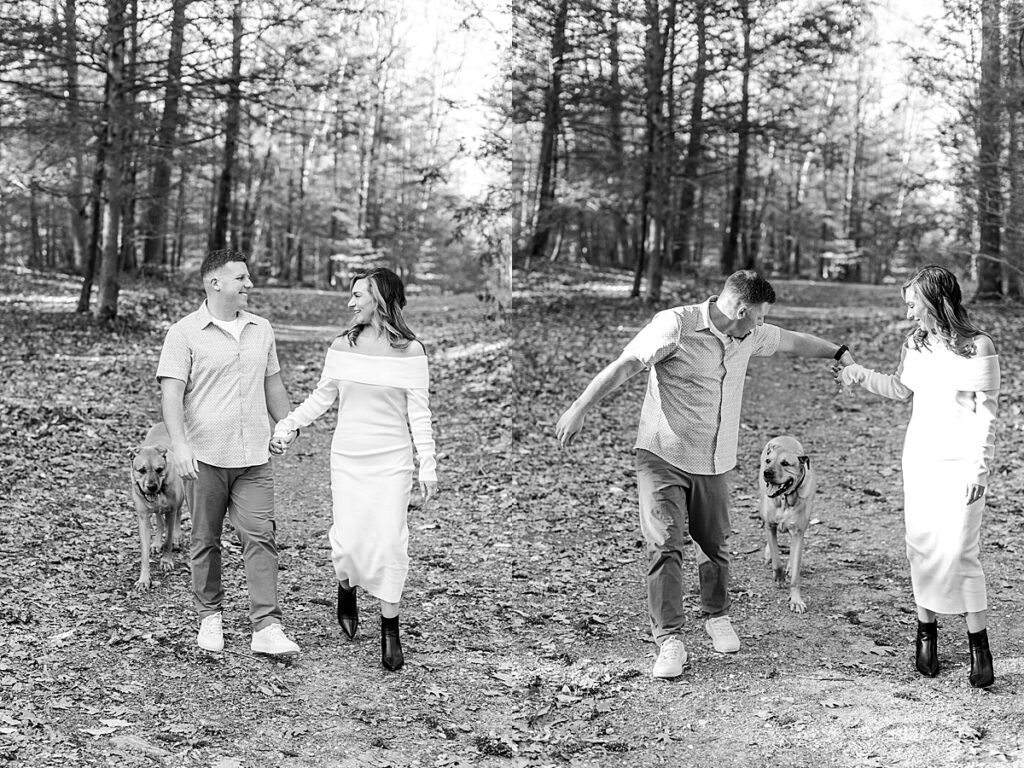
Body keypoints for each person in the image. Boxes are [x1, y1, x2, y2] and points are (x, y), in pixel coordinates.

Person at [555, 270, 854, 680]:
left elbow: (793, 342)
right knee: (665, 543)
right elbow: (626, 365)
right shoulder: (675, 325)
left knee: (714, 544)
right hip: (663, 454)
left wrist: (839, 353)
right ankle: (670, 639)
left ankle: (716, 615)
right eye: (760, 316)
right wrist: (580, 406)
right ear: (742, 309)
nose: (764, 324)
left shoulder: (748, 334)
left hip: (714, 461)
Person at [836, 265, 999, 688]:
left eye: (913, 304)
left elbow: (986, 416)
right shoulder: (917, 344)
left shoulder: (978, 347)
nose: (909, 313)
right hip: (921, 460)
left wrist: (978, 468)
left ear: (934, 301)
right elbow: (899, 388)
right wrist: (858, 373)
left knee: (963, 551)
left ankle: (978, 644)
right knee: (921, 547)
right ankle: (926, 633)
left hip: (961, 465)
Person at [271, 267, 438, 671]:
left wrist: (427, 465)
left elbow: (420, 413)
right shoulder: (342, 346)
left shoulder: (411, 352)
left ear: (379, 298)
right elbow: (322, 397)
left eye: (358, 295)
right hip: (348, 457)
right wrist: (290, 425)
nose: (351, 303)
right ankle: (345, 587)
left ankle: (390, 629)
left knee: (390, 542)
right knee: (347, 540)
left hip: (391, 460)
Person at [157, 248, 301, 657]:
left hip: (254, 456)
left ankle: (266, 626)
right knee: (205, 540)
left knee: (261, 537)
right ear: (214, 282)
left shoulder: (262, 328)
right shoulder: (182, 333)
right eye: (241, 278)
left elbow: (272, 383)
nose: (249, 285)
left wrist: (286, 423)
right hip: (204, 457)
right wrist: (179, 446)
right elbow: (171, 396)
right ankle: (209, 617)